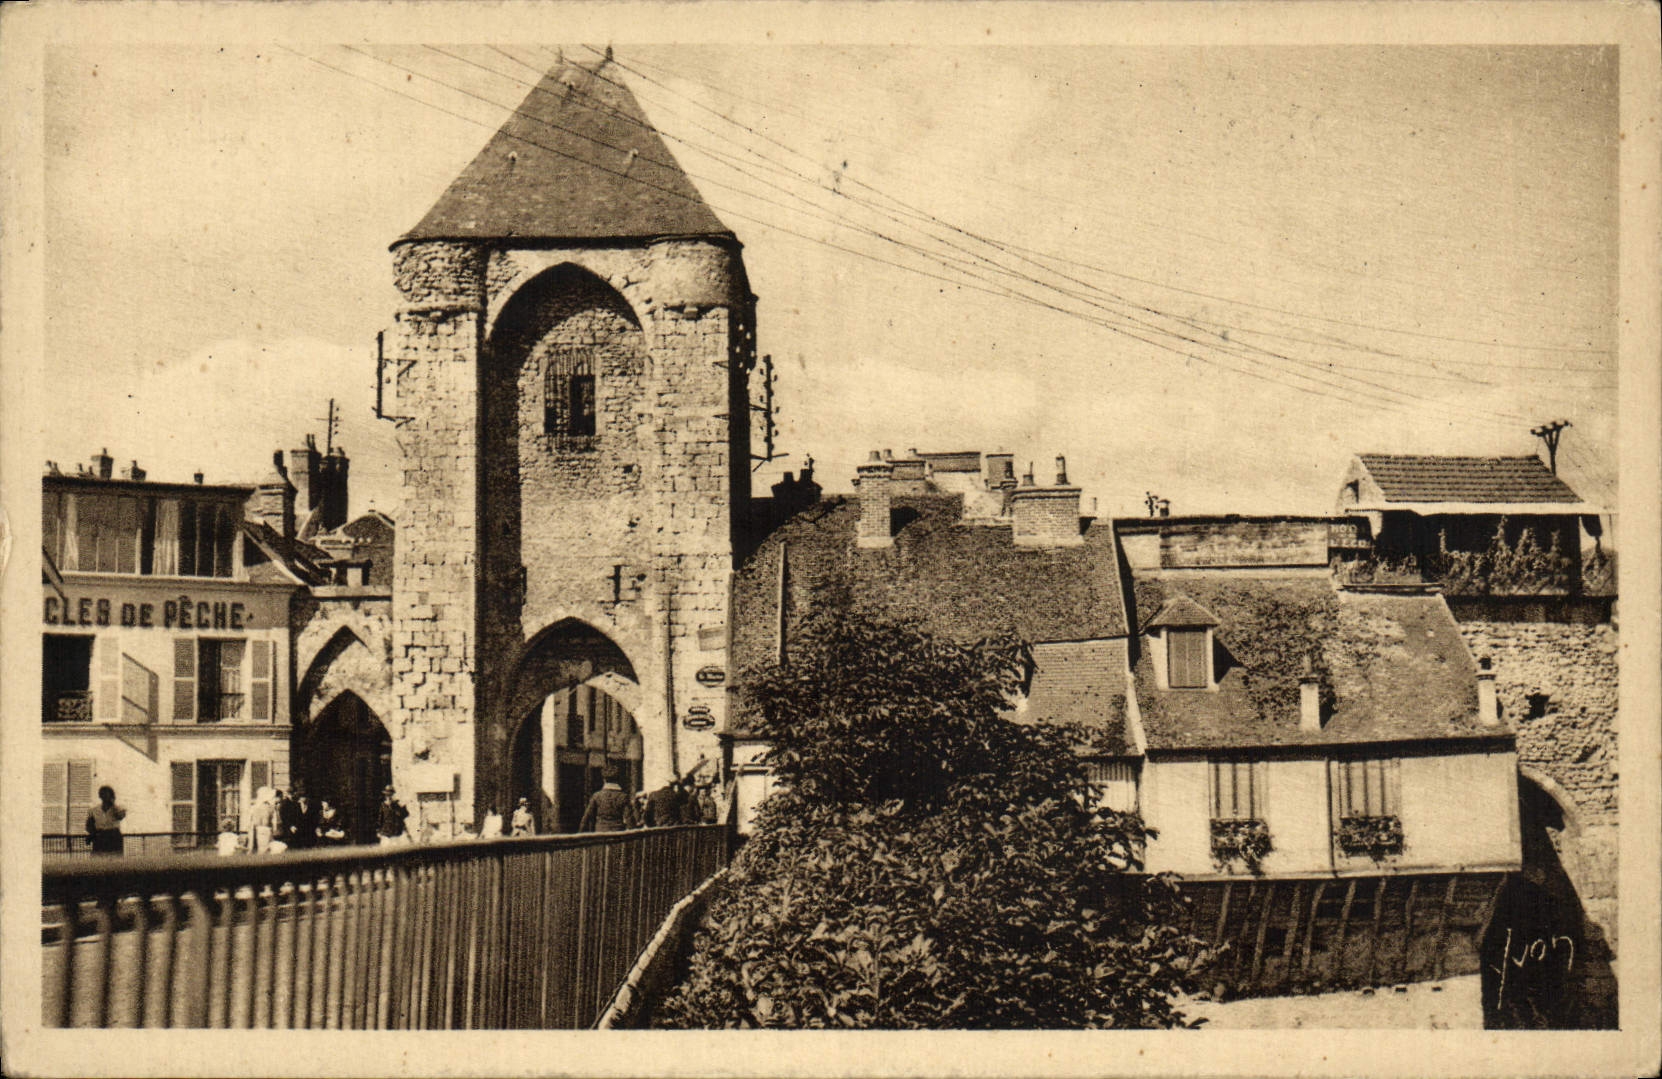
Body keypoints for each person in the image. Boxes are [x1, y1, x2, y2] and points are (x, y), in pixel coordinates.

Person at [579, 766, 632, 833]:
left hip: (600, 833)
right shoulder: (623, 797)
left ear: (604, 780)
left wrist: (580, 832)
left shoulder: (597, 796)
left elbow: (586, 817)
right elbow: (629, 819)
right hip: (618, 833)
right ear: (618, 780)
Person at [86, 785, 126, 855]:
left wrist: (113, 805)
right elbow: (89, 825)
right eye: (103, 794)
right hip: (100, 837)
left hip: (114, 836)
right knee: (98, 860)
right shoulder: (94, 810)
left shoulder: (119, 808)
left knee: (115, 859)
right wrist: (93, 834)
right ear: (100, 796)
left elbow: (120, 816)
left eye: (107, 794)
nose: (105, 796)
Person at [248, 786, 275, 854]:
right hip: (263, 829)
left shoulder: (255, 806)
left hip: (255, 828)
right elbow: (266, 820)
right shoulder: (267, 806)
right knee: (263, 849)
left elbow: (251, 820)